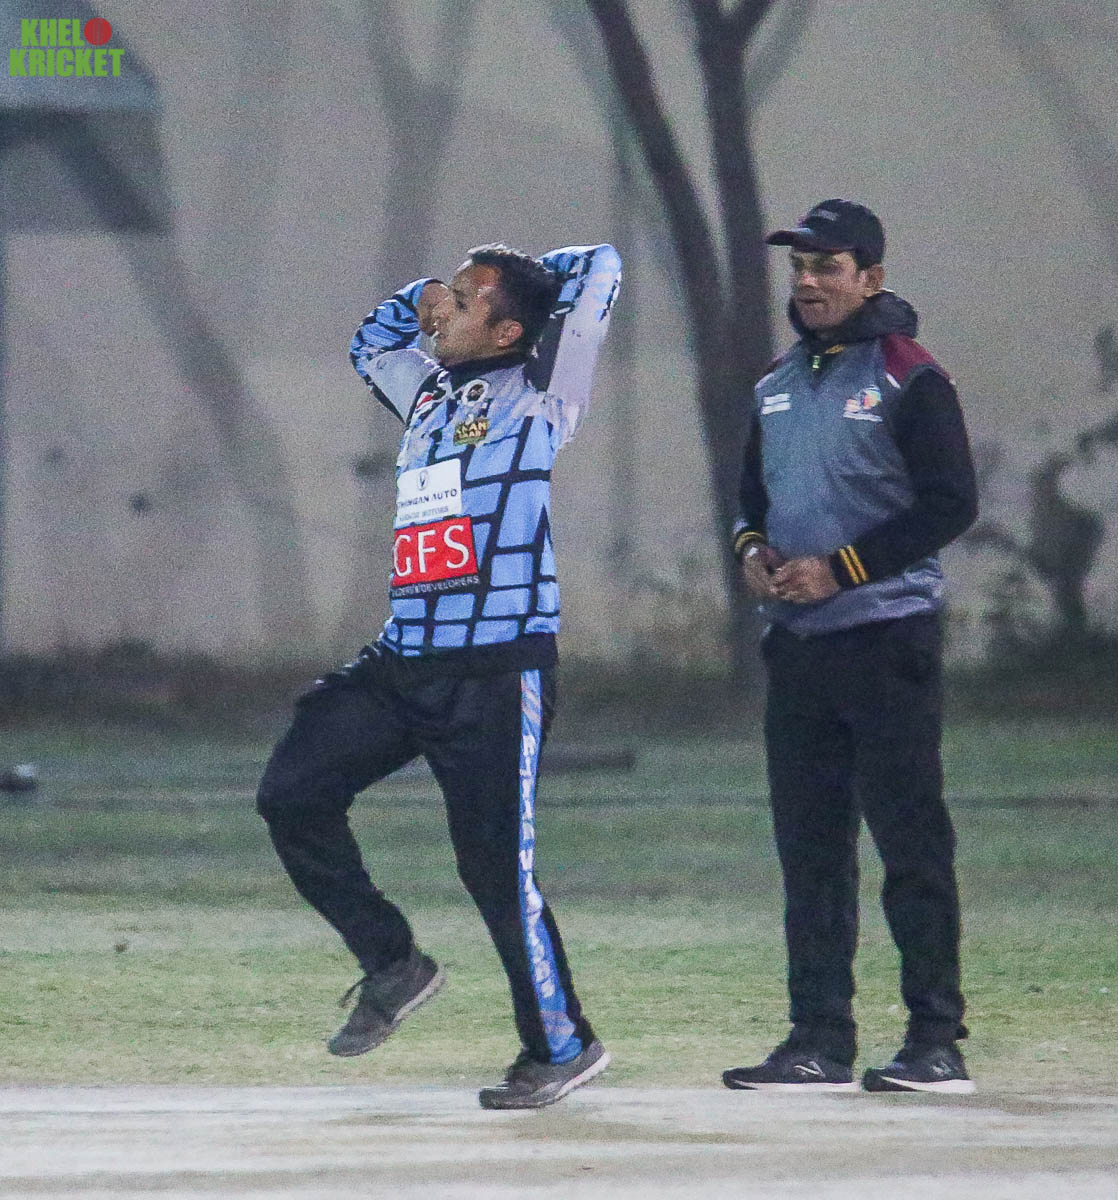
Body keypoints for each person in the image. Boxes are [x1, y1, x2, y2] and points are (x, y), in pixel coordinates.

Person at [256, 241, 621, 1110]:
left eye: (461, 300)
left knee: (496, 871)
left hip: (495, 672)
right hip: (404, 660)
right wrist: (422, 288)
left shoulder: (543, 394)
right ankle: (393, 964)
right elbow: (368, 343)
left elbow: (602, 266)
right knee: (292, 793)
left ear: (507, 330)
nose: (438, 310)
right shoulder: (427, 393)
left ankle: (561, 1045)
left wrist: (525, 276)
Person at [723, 201, 979, 1094]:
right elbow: (749, 501)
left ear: (870, 277)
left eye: (827, 267)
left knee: (911, 843)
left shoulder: (911, 375)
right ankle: (819, 1039)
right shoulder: (776, 382)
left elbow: (951, 503)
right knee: (811, 852)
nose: (807, 283)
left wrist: (843, 569)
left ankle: (935, 1041)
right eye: (799, 267)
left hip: (887, 641)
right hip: (798, 650)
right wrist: (754, 553)